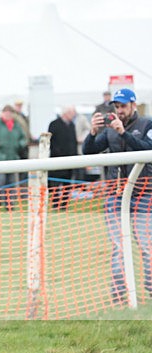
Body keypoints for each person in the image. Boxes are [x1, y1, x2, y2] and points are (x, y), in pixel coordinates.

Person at [82, 88, 152, 304]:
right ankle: (119, 296)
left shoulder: (147, 124)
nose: (119, 110)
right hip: (116, 193)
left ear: (133, 105)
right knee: (119, 246)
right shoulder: (110, 129)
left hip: (144, 194)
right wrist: (92, 133)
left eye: (123, 106)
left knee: (146, 244)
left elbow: (147, 149)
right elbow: (89, 151)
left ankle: (150, 291)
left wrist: (124, 133)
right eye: (117, 106)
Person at [0, 104, 27, 211]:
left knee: (11, 184)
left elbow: (24, 138)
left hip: (12, 158)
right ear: (3, 113)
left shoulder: (16, 125)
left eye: (10, 113)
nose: (8, 115)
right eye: (6, 113)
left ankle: (9, 205)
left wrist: (20, 144)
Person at [46, 106, 78, 210]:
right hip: (56, 161)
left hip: (70, 161)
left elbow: (74, 143)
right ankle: (55, 204)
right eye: (72, 113)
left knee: (67, 184)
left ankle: (64, 205)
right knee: (55, 184)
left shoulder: (72, 125)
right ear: (66, 113)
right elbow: (50, 142)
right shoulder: (54, 124)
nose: (73, 115)